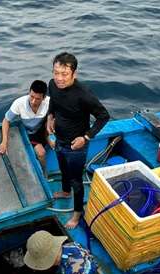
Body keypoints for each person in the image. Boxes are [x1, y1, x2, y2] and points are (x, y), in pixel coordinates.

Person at [47, 52, 110, 230]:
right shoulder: (52, 84)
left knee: (76, 181)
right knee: (63, 171)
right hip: (59, 139)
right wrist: (50, 117)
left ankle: (76, 214)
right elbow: (53, 102)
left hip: (77, 146)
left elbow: (103, 116)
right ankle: (66, 193)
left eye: (64, 74)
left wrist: (86, 137)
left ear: (74, 74)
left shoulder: (85, 95)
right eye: (56, 72)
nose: (59, 78)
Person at [0, 80, 55, 175]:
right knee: (41, 153)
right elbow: (6, 120)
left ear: (44, 97)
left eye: (37, 99)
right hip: (30, 133)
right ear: (29, 92)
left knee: (54, 120)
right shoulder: (19, 103)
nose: (33, 101)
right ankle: (44, 173)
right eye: (31, 96)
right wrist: (4, 141)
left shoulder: (49, 102)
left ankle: (46, 137)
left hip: (42, 128)